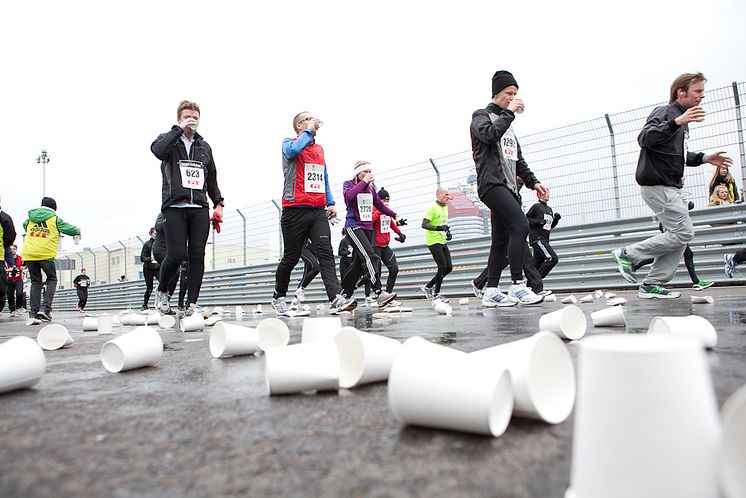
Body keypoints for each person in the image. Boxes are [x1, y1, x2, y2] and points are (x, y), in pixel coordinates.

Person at [611, 72, 733, 299]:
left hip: (669, 184)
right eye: (698, 91)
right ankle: (628, 254)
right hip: (657, 184)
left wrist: (706, 157)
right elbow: (645, 139)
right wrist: (676, 122)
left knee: (680, 234)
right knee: (683, 232)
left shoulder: (681, 120)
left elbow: (677, 154)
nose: (702, 96)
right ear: (681, 92)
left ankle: (651, 284)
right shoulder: (666, 113)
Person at [470, 69, 546, 306]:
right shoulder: (481, 116)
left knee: (500, 240)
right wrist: (509, 113)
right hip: (492, 185)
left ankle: (490, 290)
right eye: (508, 93)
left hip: (510, 187)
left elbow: (517, 159)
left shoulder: (509, 126)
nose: (512, 98)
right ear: (497, 94)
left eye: (515, 94)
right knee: (521, 225)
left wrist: (534, 182)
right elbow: (489, 135)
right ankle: (517, 285)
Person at [272, 111, 356, 316]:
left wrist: (330, 202)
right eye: (308, 119)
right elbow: (293, 151)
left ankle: (336, 298)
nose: (314, 121)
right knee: (291, 257)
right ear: (299, 125)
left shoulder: (319, 149)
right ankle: (278, 296)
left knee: (326, 253)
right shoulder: (289, 143)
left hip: (317, 210)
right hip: (294, 210)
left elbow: (323, 177)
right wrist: (309, 131)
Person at [151, 100, 224, 316]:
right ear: (179, 119)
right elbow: (157, 150)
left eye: (195, 116)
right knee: (176, 253)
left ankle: (192, 303)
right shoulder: (169, 141)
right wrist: (178, 130)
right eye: (187, 116)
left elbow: (211, 177)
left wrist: (218, 202)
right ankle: (163, 290)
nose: (192, 120)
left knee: (197, 255)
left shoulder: (205, 147)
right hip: (174, 206)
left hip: (199, 206)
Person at [341, 161, 399, 307]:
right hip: (354, 226)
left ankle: (344, 294)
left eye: (369, 172)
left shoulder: (371, 188)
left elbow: (379, 205)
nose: (368, 175)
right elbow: (349, 197)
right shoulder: (348, 184)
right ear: (357, 173)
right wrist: (364, 182)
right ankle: (378, 292)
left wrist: (395, 215)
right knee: (370, 255)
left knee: (357, 265)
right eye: (364, 172)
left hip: (367, 228)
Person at [22, 197, 80, 324]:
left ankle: (33, 313)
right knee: (52, 279)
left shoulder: (30, 218)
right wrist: (78, 232)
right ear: (54, 208)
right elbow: (71, 229)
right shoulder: (54, 219)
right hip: (45, 253)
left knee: (35, 282)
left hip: (29, 253)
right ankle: (45, 309)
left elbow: (25, 225)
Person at [633, 202, 713, 290]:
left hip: (673, 224)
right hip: (672, 226)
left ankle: (696, 282)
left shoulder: (672, 194)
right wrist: (687, 205)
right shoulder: (670, 194)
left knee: (687, 254)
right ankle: (635, 265)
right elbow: (685, 206)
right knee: (675, 254)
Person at [372, 187, 406, 302]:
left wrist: (399, 233)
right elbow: (370, 220)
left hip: (385, 246)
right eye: (383, 200)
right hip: (375, 246)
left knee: (394, 269)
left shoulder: (387, 211)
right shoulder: (374, 209)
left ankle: (388, 295)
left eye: (387, 200)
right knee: (376, 273)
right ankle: (376, 296)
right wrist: (380, 210)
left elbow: (391, 223)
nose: (386, 203)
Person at [421, 186, 453, 302]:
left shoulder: (446, 208)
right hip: (433, 241)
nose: (447, 197)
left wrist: (448, 233)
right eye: (445, 195)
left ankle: (428, 286)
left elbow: (444, 224)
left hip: (442, 240)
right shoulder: (432, 208)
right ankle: (436, 293)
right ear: (438, 195)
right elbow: (424, 224)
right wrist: (439, 228)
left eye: (448, 195)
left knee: (449, 268)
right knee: (442, 267)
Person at [527, 190, 561, 278]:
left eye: (548, 193)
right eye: (545, 193)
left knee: (537, 265)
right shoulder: (536, 207)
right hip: (537, 238)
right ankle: (537, 282)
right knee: (552, 258)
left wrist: (556, 219)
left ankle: (531, 286)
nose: (548, 194)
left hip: (545, 239)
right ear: (539, 195)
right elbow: (526, 219)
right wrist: (538, 222)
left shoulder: (549, 209)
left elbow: (550, 226)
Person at [291, 239, 320, 308]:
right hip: (302, 246)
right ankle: (301, 288)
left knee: (306, 274)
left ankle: (295, 301)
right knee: (316, 268)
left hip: (312, 249)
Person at [140, 227, 160, 310]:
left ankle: (163, 304)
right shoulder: (147, 244)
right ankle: (145, 304)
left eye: (157, 233)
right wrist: (150, 259)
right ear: (151, 234)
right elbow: (142, 258)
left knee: (164, 284)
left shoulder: (161, 243)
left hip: (158, 268)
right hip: (148, 268)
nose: (156, 235)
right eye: (155, 233)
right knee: (149, 287)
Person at [6, 244, 26, 316]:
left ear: (16, 250)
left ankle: (18, 307)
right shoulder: (6, 260)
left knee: (19, 293)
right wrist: (7, 270)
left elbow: (25, 264)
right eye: (10, 249)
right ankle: (12, 309)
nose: (12, 250)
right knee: (10, 295)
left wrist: (23, 267)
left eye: (13, 249)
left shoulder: (20, 258)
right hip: (9, 280)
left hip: (18, 279)